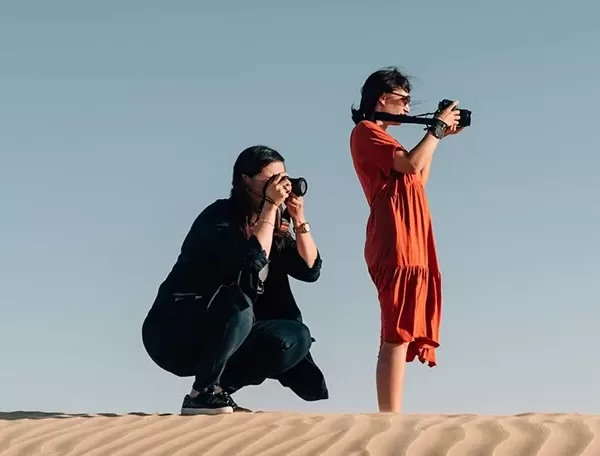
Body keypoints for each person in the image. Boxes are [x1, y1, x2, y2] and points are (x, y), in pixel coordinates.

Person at [141, 145, 328, 415]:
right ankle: (202, 393)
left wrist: (299, 219)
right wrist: (271, 206)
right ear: (245, 180)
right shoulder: (219, 218)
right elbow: (252, 259)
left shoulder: (274, 226)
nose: (281, 186)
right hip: (176, 331)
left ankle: (217, 390)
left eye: (283, 178)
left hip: (231, 328)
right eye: (271, 179)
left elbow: (310, 270)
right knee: (238, 304)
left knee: (294, 337)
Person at [349, 66, 464, 413]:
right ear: (382, 98)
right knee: (395, 330)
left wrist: (438, 137)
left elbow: (419, 176)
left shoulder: (387, 138)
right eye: (403, 100)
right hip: (394, 237)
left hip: (411, 236)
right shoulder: (366, 132)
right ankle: (390, 418)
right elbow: (411, 164)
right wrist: (436, 130)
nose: (407, 109)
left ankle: (392, 416)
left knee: (402, 327)